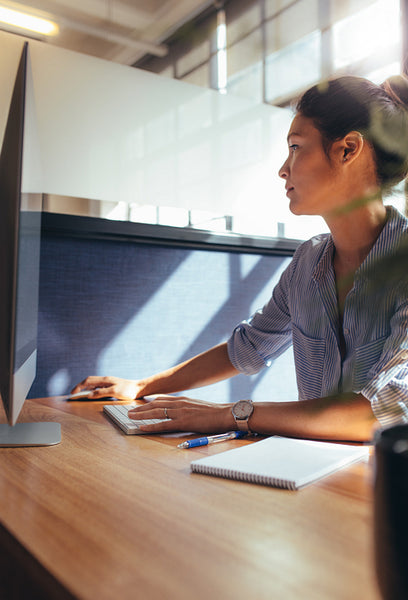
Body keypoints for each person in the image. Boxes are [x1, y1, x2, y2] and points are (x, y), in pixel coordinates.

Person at [71, 75, 408, 442]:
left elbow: (383, 412)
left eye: (296, 147)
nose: (284, 168)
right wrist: (141, 386)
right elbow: (248, 348)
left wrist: (231, 415)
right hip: (314, 475)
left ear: (347, 150)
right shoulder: (308, 262)